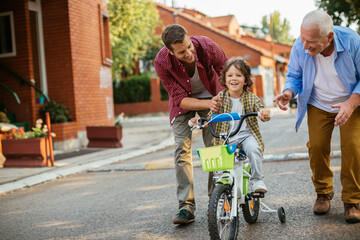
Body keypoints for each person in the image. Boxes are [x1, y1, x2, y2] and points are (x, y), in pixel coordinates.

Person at [273, 10, 360, 224]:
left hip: (350, 102)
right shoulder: (299, 45)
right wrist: (288, 92)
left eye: (310, 42)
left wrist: (350, 104)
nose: (304, 46)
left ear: (329, 37)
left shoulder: (352, 42)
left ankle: (352, 200)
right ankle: (323, 192)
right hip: (318, 102)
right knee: (318, 146)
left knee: (353, 147)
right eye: (302, 39)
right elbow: (294, 75)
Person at [154, 24, 227, 225]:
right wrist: (207, 103)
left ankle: (217, 199)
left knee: (214, 145)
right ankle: (186, 206)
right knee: (181, 149)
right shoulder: (161, 62)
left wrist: (220, 100)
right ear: (170, 51)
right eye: (181, 51)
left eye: (188, 47)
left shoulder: (207, 47)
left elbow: (228, 73)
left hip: (213, 97)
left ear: (189, 39)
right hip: (184, 104)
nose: (188, 53)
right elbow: (179, 98)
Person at [192, 57, 271, 192]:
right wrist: (202, 121)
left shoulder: (251, 98)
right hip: (226, 137)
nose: (234, 78)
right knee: (219, 158)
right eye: (230, 75)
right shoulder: (220, 97)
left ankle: (257, 180)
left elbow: (260, 110)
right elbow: (211, 116)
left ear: (245, 80)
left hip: (246, 135)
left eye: (238, 75)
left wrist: (264, 114)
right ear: (224, 80)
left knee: (254, 149)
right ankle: (222, 189)